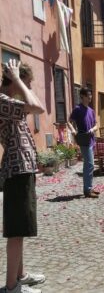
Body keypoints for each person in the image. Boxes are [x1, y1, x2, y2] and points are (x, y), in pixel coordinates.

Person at [1, 60, 46, 293]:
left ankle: (20, 276)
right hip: (16, 170)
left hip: (22, 169)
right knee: (17, 231)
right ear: (15, 79)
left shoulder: (11, 101)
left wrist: (21, 83)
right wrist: (19, 79)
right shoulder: (2, 101)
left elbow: (36, 105)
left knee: (22, 226)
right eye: (28, 82)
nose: (29, 87)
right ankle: (11, 287)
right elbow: (38, 108)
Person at [67, 88, 99, 198]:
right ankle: (87, 190)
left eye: (90, 95)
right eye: (88, 95)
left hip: (91, 139)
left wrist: (93, 129)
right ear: (82, 96)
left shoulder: (91, 110)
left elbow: (96, 125)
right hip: (83, 140)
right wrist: (73, 131)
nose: (90, 97)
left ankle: (89, 187)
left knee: (89, 165)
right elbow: (69, 122)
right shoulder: (78, 109)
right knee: (89, 164)